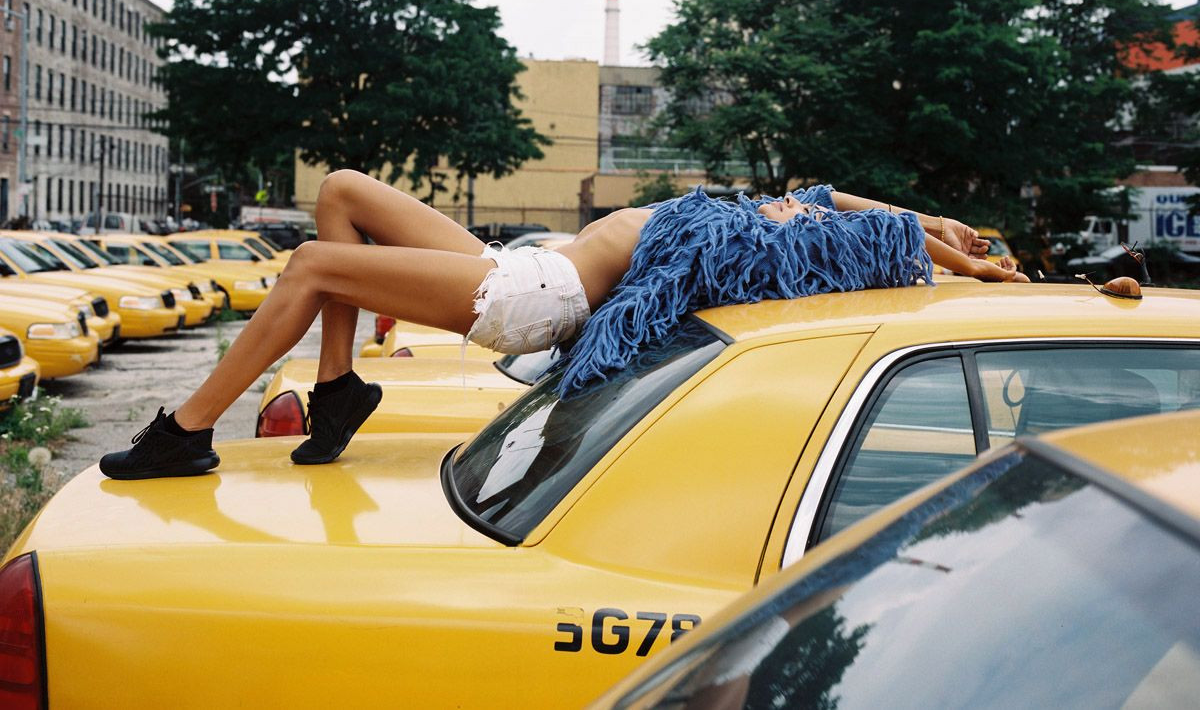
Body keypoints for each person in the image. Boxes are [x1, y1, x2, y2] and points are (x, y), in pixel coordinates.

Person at [99, 171, 1024, 480]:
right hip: (523, 268)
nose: (796, 201)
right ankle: (338, 389)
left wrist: (969, 264)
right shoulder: (784, 210)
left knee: (311, 263)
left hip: (538, 297)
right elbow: (839, 196)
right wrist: (939, 218)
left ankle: (186, 432)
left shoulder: (776, 241)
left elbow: (878, 230)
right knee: (341, 192)